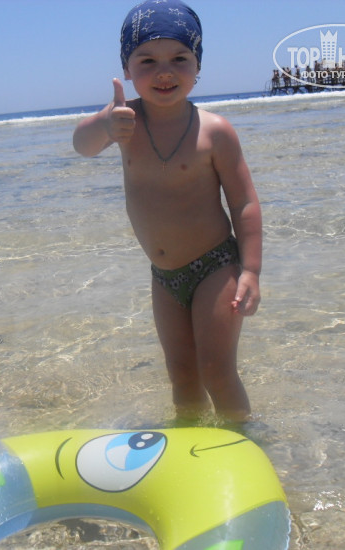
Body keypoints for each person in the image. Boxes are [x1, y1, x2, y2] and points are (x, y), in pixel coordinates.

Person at [73, 0, 262, 424]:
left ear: (198, 65)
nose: (164, 72)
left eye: (179, 58)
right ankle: (188, 438)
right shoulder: (122, 121)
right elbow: (81, 146)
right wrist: (104, 125)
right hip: (164, 277)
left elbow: (244, 203)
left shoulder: (214, 131)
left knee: (216, 370)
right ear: (127, 68)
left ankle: (243, 438)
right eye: (147, 61)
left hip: (215, 266)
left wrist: (250, 270)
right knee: (181, 374)